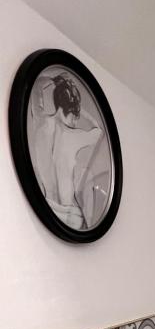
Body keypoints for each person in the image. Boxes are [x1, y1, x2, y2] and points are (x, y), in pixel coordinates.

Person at [29, 73, 103, 230]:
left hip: (47, 205)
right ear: (71, 111)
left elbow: (36, 87)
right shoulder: (74, 136)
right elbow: (98, 131)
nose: (75, 122)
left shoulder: (40, 120)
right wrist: (81, 111)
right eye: (75, 117)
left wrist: (53, 80)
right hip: (70, 215)